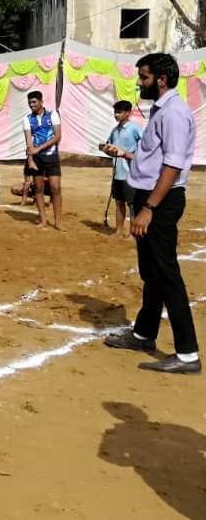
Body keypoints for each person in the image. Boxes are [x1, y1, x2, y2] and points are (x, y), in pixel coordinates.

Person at [104, 53, 200, 375]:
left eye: (143, 77)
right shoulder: (160, 111)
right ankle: (144, 333)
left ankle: (187, 353)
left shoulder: (174, 113)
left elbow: (172, 165)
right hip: (150, 196)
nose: (139, 83)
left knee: (166, 272)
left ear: (161, 79)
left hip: (161, 200)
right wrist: (126, 154)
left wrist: (148, 208)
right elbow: (154, 158)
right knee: (152, 271)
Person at [100, 100, 144, 238]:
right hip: (117, 172)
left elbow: (146, 147)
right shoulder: (115, 130)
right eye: (115, 112)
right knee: (119, 202)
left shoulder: (134, 128)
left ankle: (133, 233)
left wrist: (134, 156)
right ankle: (119, 231)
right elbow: (110, 148)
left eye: (119, 112)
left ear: (128, 113)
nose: (116, 115)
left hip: (130, 173)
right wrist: (105, 149)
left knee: (132, 204)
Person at [22, 91, 63, 229]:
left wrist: (38, 149)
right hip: (37, 158)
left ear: (41, 101)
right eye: (29, 102)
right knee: (38, 188)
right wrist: (30, 159)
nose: (31, 105)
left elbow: (57, 137)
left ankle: (58, 222)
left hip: (51, 156)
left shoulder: (53, 115)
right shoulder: (27, 119)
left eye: (34, 102)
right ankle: (43, 220)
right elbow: (29, 141)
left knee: (55, 188)